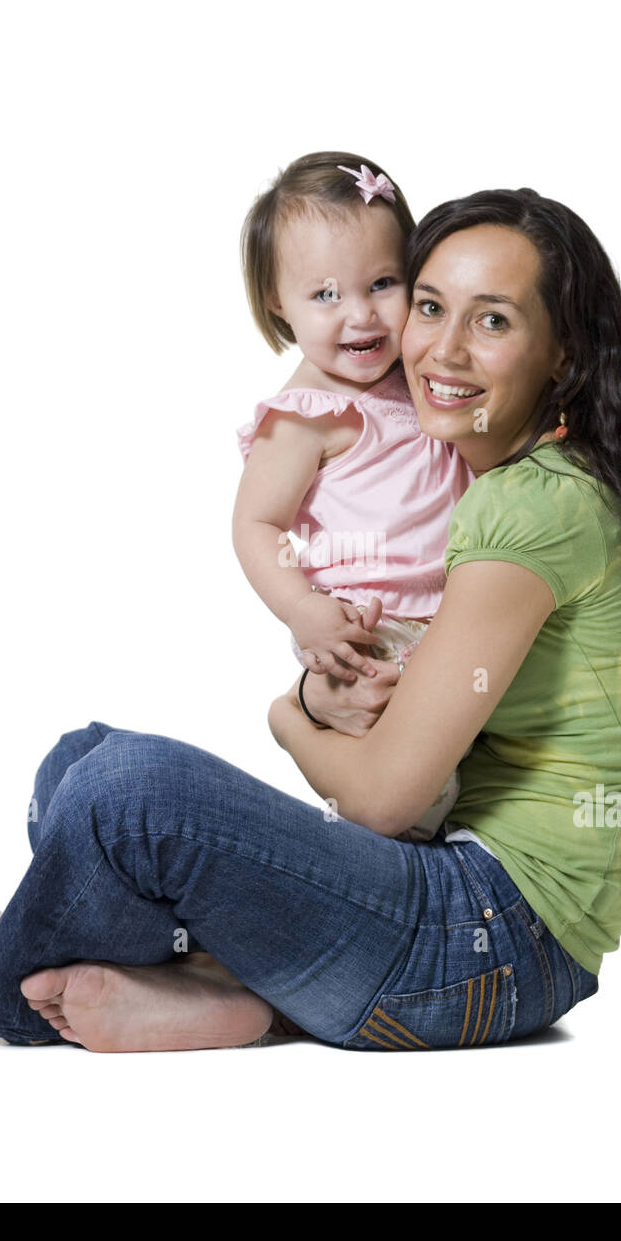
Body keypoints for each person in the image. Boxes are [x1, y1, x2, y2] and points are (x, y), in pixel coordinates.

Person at [0, 186, 621, 1053]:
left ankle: (43, 969)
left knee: (122, 789)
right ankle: (234, 991)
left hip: (487, 946)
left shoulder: (531, 509)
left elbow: (380, 800)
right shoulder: (528, 477)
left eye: (494, 322)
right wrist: (330, 695)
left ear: (562, 352)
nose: (442, 346)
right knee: (81, 759)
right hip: (453, 911)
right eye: (431, 306)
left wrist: (286, 715)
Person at [234, 151, 473, 838]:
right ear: (279, 301)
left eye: (383, 283)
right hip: (369, 626)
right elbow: (255, 522)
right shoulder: (306, 411)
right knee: (414, 788)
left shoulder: (423, 370)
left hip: (451, 621)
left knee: (461, 767)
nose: (360, 315)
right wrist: (302, 610)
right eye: (325, 295)